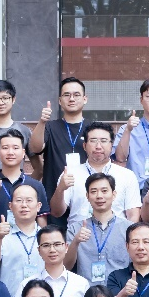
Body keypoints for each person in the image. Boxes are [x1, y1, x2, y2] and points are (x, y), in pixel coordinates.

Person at [51, 123, 142, 224]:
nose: (98, 146)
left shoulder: (127, 175)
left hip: (117, 232)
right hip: (79, 232)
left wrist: (125, 233)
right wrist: (60, 189)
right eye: (93, 141)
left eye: (104, 141)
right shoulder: (71, 174)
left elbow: (133, 215)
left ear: (111, 145)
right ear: (84, 146)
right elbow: (56, 212)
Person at [9, 227, 89, 297]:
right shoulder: (27, 284)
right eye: (46, 245)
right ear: (39, 250)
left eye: (57, 244)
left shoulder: (81, 283)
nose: (52, 250)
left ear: (66, 247)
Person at [28, 77, 92, 207]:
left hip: (86, 196)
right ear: (59, 100)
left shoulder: (93, 128)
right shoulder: (50, 127)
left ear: (85, 99)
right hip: (54, 194)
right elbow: (35, 148)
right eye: (66, 95)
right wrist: (42, 122)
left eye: (76, 95)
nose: (71, 99)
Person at [0, 130, 48, 237]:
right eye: (5, 148)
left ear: (23, 152)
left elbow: (42, 222)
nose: (10, 152)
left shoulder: (36, 185)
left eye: (15, 148)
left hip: (28, 243)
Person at [64, 173, 133, 284]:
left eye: (104, 191)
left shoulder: (129, 229)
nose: (99, 196)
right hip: (87, 291)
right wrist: (76, 241)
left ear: (114, 194)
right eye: (93, 191)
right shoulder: (75, 229)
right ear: (87, 196)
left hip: (119, 291)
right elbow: (66, 266)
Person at [0, 183, 48, 297]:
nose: (24, 205)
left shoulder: (47, 237)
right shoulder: (0, 236)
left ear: (39, 206)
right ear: (11, 206)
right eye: (19, 200)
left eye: (29, 200)